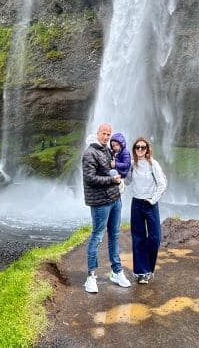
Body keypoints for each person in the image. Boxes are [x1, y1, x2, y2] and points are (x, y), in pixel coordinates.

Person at [82, 123, 131, 293]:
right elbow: (90, 178)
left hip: (115, 199)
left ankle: (116, 271)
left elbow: (120, 165)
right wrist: (113, 180)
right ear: (97, 133)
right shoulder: (90, 153)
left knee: (115, 236)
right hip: (100, 202)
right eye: (104, 133)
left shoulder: (109, 150)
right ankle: (91, 276)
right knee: (97, 236)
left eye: (108, 134)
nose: (106, 137)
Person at [125, 136, 167, 284]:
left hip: (150, 204)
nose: (140, 150)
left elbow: (162, 183)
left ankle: (149, 268)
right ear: (134, 149)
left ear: (147, 149)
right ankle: (141, 272)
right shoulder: (132, 164)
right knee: (138, 238)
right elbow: (127, 181)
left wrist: (153, 199)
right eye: (138, 147)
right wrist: (120, 169)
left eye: (143, 147)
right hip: (136, 203)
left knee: (155, 238)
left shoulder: (153, 164)